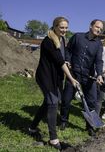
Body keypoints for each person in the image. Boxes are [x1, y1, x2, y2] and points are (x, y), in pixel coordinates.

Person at [28, 17, 79, 150]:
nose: (64, 30)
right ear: (55, 26)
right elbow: (59, 61)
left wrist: (66, 62)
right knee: (53, 102)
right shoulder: (48, 41)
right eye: (62, 27)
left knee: (47, 102)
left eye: (66, 27)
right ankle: (53, 139)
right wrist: (71, 79)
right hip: (45, 76)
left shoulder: (62, 39)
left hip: (55, 76)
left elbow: (62, 58)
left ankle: (32, 127)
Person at [60, 19, 104, 136]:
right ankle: (63, 121)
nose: (99, 30)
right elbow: (68, 50)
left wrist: (99, 74)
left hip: (88, 77)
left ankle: (90, 126)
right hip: (73, 74)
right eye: (97, 27)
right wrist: (67, 60)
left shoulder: (99, 44)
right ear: (91, 26)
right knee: (66, 99)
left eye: (101, 29)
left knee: (92, 102)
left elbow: (99, 61)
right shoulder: (77, 37)